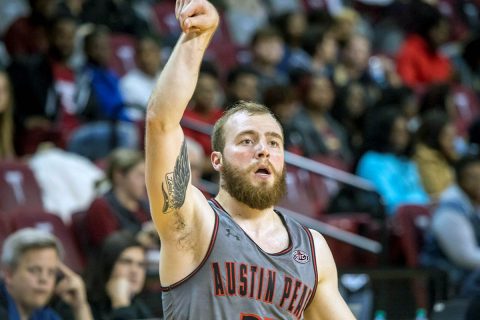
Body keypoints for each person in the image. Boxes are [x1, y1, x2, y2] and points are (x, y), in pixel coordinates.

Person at [144, 1, 355, 319]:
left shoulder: (312, 248)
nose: (263, 150)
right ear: (216, 160)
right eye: (246, 141)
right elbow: (161, 123)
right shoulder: (196, 222)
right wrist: (197, 38)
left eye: (274, 142)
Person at [0, 228, 93, 320]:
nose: (44, 279)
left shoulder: (43, 314)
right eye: (34, 270)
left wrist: (80, 307)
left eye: (51, 272)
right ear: (9, 274)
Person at [421, 156, 480, 292]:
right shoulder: (450, 210)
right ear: (460, 180)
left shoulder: (474, 203)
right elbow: (466, 257)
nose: (478, 183)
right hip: (453, 282)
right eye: (473, 178)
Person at [84, 148, 154, 249]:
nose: (146, 182)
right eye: (140, 176)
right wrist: (140, 241)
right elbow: (110, 251)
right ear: (119, 175)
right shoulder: (101, 207)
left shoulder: (143, 205)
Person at [85, 231, 155, 319]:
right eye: (126, 262)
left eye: (141, 265)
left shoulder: (137, 303)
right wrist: (121, 304)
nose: (135, 271)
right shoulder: (83, 304)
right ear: (108, 265)